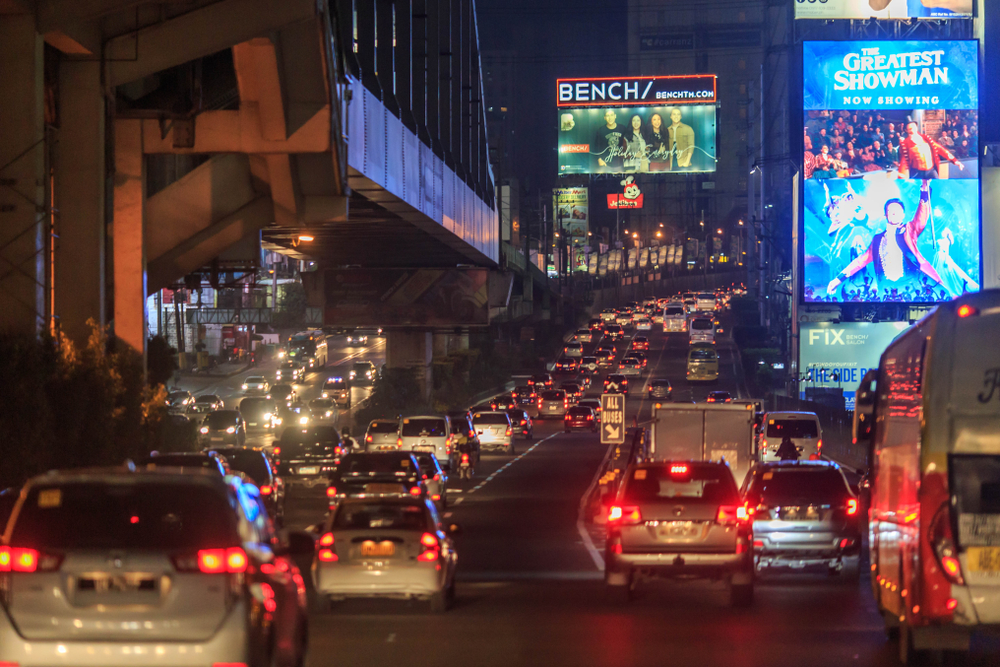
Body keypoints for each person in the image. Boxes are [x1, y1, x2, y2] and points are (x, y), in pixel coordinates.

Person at [826, 180, 948, 298]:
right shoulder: (877, 239)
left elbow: (921, 216)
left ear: (903, 215)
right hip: (886, 291)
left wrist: (924, 190)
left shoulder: (909, 230)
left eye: (897, 210)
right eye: (890, 210)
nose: (894, 213)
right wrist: (838, 279)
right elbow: (860, 261)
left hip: (911, 288)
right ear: (886, 215)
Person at [898, 121, 964, 179]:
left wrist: (955, 161)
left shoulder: (926, 138)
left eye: (914, 127)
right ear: (906, 130)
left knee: (936, 187)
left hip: (931, 171)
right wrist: (901, 177)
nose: (913, 129)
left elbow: (941, 149)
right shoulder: (906, 144)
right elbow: (903, 161)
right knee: (919, 188)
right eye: (910, 128)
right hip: (918, 173)